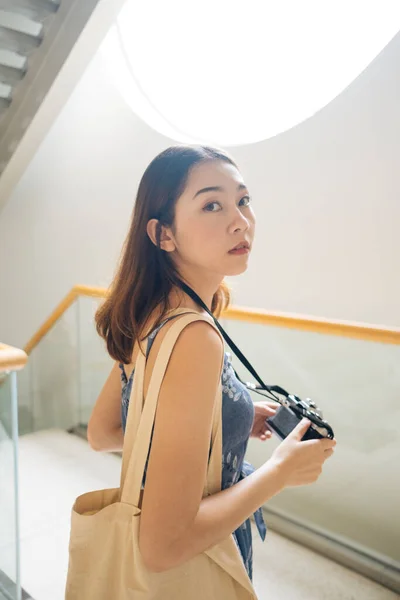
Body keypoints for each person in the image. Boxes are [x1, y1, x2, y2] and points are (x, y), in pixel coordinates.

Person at [87, 145, 336, 584]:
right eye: (211, 205)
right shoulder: (193, 337)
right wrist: (280, 471)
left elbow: (103, 432)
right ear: (163, 234)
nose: (240, 220)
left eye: (242, 199)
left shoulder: (150, 313)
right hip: (196, 566)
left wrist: (224, 419)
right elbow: (164, 546)